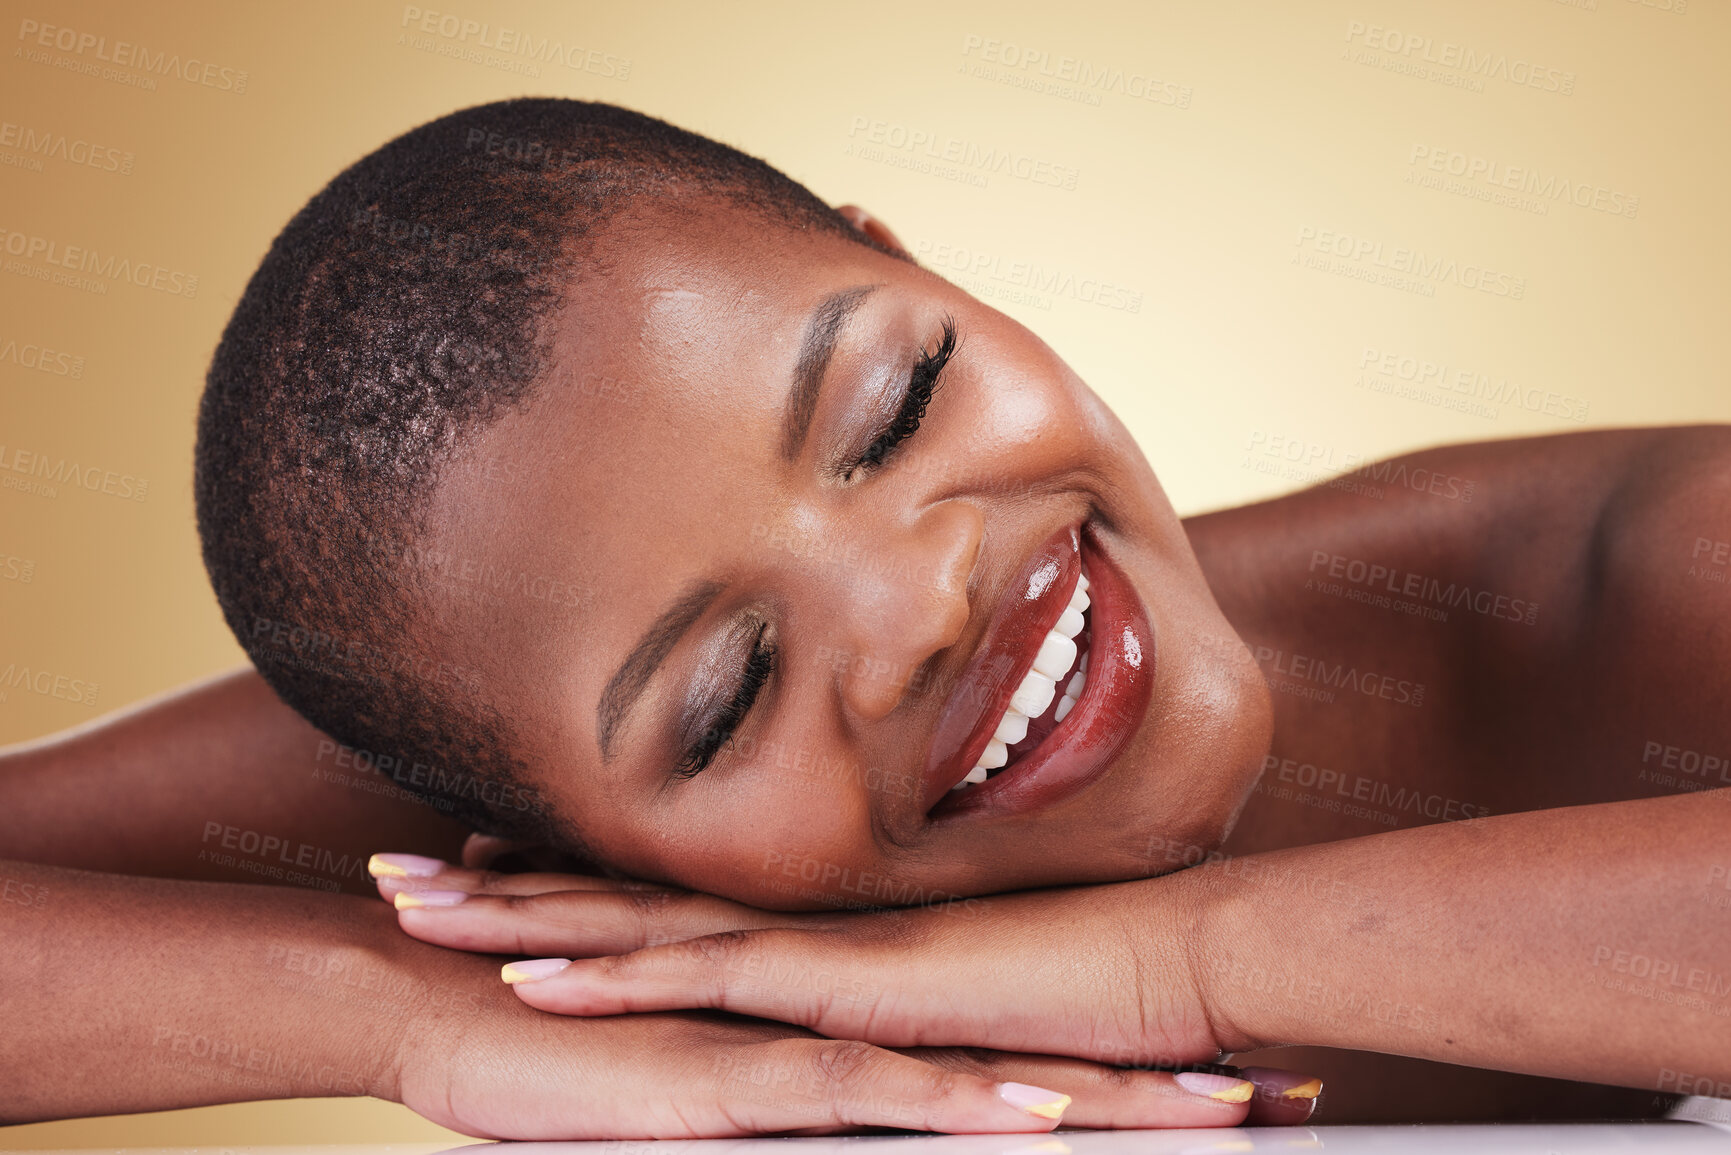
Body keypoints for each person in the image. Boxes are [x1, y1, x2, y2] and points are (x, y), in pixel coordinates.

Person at [2, 98, 1726, 1138]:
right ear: (563, 838)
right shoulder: (572, 875)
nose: (920, 604)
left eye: (896, 404)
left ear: (915, 265)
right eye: (729, 691)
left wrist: (1165, 963)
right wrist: (413, 1025)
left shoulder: (1650, 580)